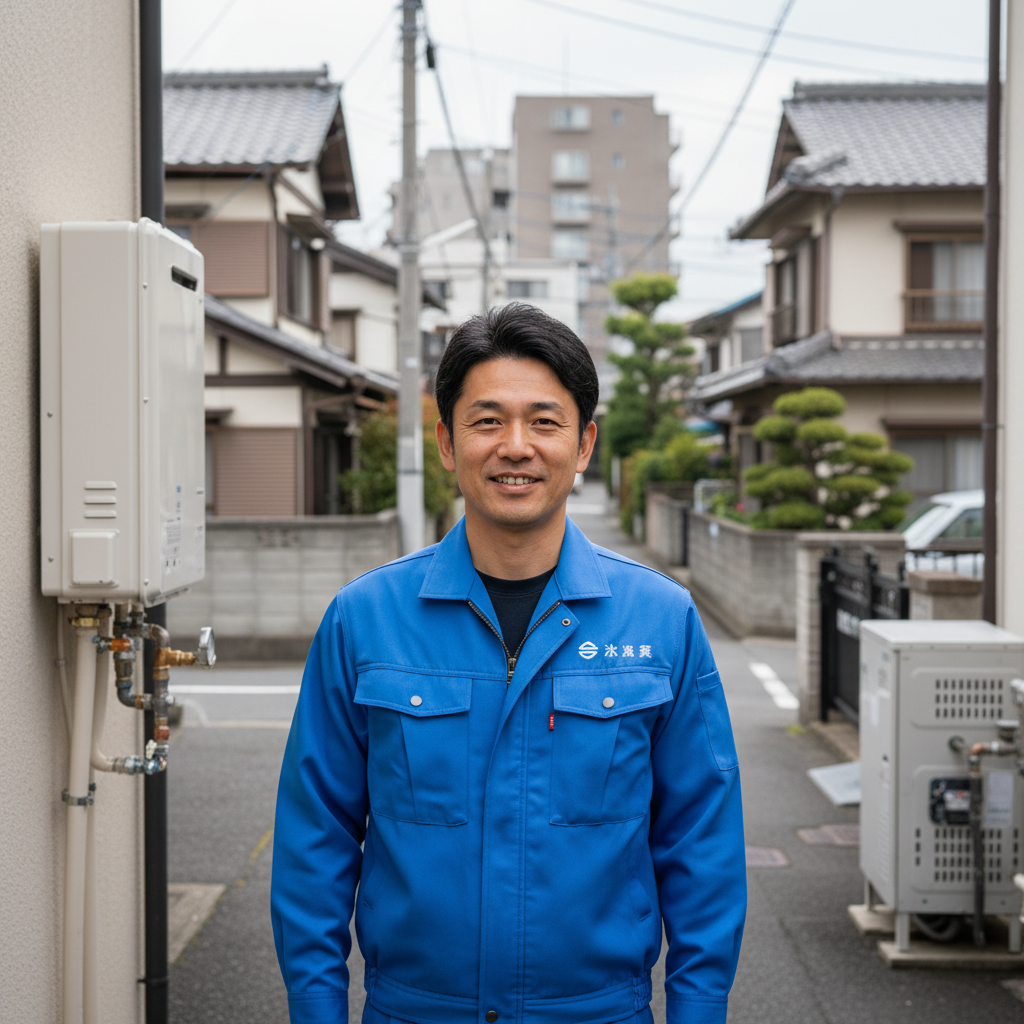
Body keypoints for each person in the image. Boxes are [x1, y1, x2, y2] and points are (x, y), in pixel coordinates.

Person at [271, 303, 746, 1024]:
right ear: (446, 442)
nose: (515, 446)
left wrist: (699, 1011)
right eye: (487, 420)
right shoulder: (365, 618)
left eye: (545, 422)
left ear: (584, 445)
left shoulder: (661, 619)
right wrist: (316, 1009)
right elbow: (316, 839)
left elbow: (701, 841)